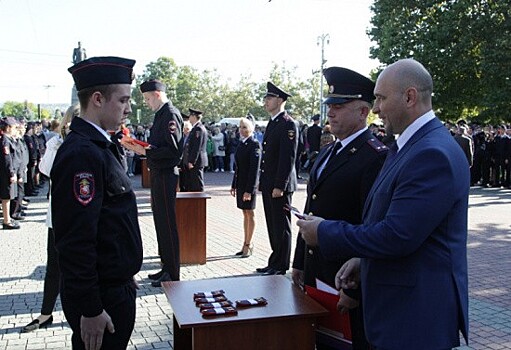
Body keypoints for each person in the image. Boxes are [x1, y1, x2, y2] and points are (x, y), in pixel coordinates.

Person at [298, 59, 469, 350]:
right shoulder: (410, 146)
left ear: (410, 97)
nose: (376, 109)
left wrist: (325, 232)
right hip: (400, 312)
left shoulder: (431, 153)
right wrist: (363, 260)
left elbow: (397, 235)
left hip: (415, 318)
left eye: (380, 98)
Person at [51, 56, 143, 350]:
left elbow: (110, 221)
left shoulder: (101, 146)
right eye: (123, 100)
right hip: (101, 301)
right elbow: (76, 240)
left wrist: (125, 271)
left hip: (115, 288)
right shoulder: (82, 154)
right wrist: (90, 308)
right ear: (98, 99)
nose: (129, 109)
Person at [292, 67, 387, 349]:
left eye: (339, 106)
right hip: (316, 269)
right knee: (322, 341)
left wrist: (356, 289)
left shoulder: (374, 156)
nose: (330, 112)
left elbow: (371, 225)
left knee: (349, 342)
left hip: (345, 277)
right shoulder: (327, 152)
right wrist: (299, 262)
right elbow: (311, 208)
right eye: (330, 106)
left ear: (363, 112)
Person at [22, 104, 79, 333]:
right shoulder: (58, 143)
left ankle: (83, 311)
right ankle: (46, 314)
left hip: (80, 217)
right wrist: (55, 143)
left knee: (80, 268)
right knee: (54, 268)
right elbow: (46, 170)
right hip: (58, 216)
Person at [131, 79, 183, 287]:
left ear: (157, 95)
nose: (146, 103)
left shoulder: (170, 114)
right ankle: (166, 267)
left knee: (168, 224)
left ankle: (173, 272)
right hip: (159, 174)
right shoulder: (161, 114)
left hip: (166, 174)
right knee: (161, 223)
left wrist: (146, 151)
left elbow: (173, 151)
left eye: (147, 98)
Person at [256, 82, 298, 275]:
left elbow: (286, 158)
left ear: (280, 100)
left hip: (279, 185)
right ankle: (274, 260)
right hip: (269, 183)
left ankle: (281, 264)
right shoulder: (273, 122)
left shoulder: (288, 123)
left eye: (269, 98)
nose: (266, 101)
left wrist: (280, 185)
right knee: (273, 224)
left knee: (281, 225)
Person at [230, 117, 261, 257]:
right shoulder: (241, 144)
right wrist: (234, 184)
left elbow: (254, 169)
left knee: (250, 213)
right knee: (244, 213)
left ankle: (248, 244)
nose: (241, 130)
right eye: (240, 127)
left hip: (249, 185)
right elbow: (238, 167)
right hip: (241, 183)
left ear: (251, 129)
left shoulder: (254, 144)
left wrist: (250, 190)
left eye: (244, 127)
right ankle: (245, 243)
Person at [181, 108, 208, 191]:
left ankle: (199, 202)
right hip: (195, 161)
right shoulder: (195, 128)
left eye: (190, 115)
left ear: (194, 116)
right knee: (192, 183)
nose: (189, 118)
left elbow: (197, 147)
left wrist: (192, 161)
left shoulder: (198, 129)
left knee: (197, 183)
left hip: (197, 161)